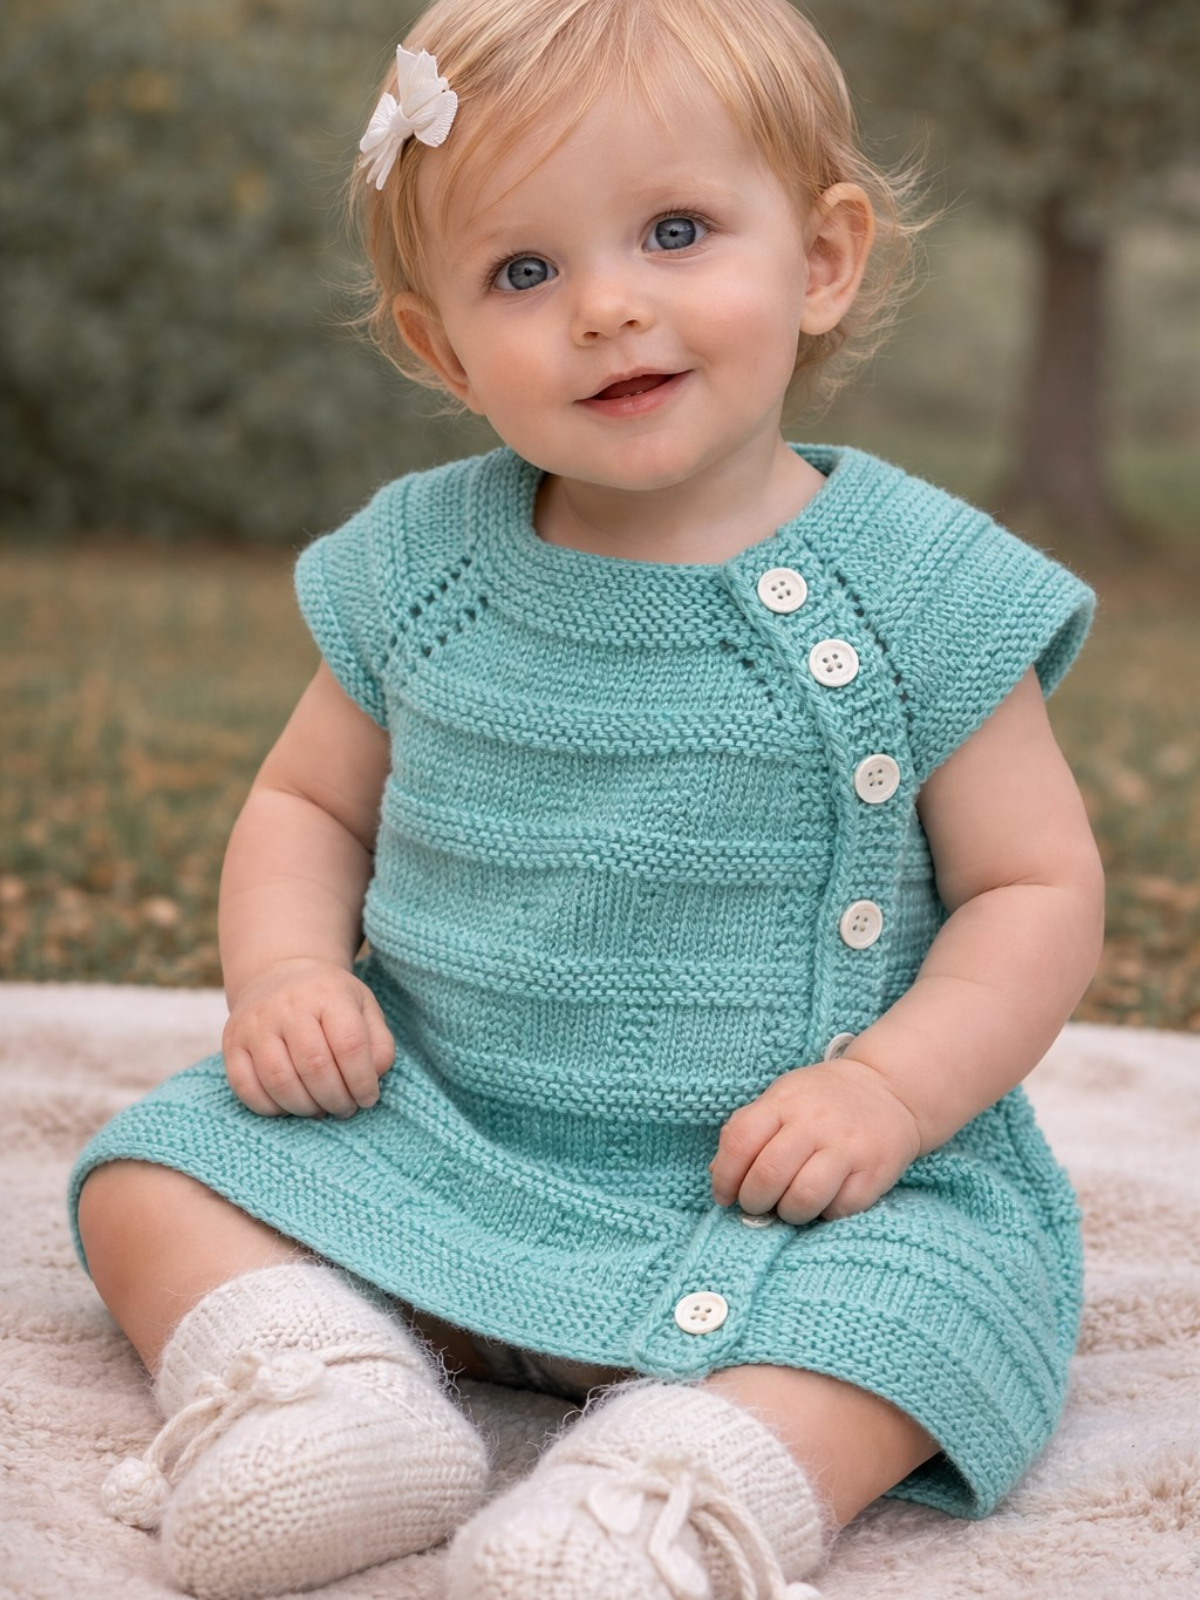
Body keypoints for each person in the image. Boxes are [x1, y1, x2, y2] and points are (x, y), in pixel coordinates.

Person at [69, 1, 1106, 1596]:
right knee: (152, 1173)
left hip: (796, 1198)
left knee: (928, 1310)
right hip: (437, 1137)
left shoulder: (920, 588)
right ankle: (319, 1386)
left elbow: (1033, 891)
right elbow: (307, 807)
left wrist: (891, 1097)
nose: (608, 307)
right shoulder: (422, 566)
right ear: (441, 347)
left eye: (676, 232)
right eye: (522, 272)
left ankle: (675, 1492)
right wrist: (283, 977)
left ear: (823, 259)